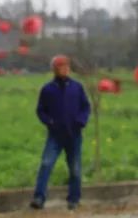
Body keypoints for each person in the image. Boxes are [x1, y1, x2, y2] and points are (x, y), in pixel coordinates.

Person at [31, 54, 90, 210]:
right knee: (46, 164)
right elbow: (40, 110)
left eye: (66, 66)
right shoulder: (48, 89)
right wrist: (49, 122)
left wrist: (81, 121)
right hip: (55, 136)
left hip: (74, 135)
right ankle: (39, 197)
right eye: (61, 66)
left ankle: (74, 199)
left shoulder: (77, 87)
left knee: (75, 169)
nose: (64, 69)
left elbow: (85, 107)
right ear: (54, 70)